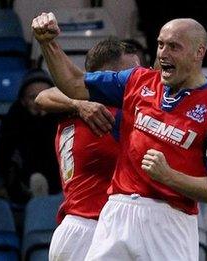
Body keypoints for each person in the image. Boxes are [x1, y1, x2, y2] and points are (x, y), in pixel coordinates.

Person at [32, 12, 207, 261]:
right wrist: (48, 43)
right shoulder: (137, 82)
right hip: (119, 210)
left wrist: (169, 176)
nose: (163, 53)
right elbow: (73, 83)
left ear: (199, 52)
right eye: (161, 44)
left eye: (174, 46)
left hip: (170, 220)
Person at [34, 37, 141, 261]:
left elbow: (44, 96)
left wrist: (77, 103)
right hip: (93, 232)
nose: (137, 82)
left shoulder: (73, 113)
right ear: (104, 78)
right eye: (128, 75)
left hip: (73, 230)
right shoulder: (107, 117)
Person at [0, 69, 60, 205]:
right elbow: (5, 157)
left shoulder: (62, 118)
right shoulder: (13, 121)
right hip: (23, 180)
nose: (38, 101)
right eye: (32, 97)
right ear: (23, 101)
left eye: (44, 96)